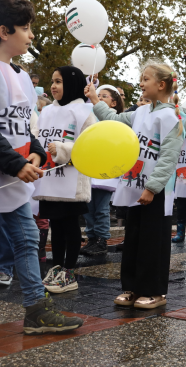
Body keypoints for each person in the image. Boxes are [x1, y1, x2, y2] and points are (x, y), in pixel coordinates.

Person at [0, 0, 83, 334]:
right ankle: (37, 309)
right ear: (4, 31)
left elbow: (27, 125)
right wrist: (15, 163)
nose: (31, 36)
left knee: (28, 239)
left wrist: (37, 153)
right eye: (26, 28)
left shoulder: (23, 75)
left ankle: (36, 310)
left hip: (11, 174)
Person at [85, 59, 186, 309]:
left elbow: (168, 158)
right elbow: (114, 120)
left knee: (154, 240)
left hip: (156, 190)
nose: (140, 84)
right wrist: (95, 100)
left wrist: (152, 188)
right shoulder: (141, 112)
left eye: (145, 79)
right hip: (134, 186)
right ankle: (131, 287)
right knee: (133, 238)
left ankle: (155, 290)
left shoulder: (174, 117)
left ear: (161, 84)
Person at [33, 66, 96, 293]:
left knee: (70, 225)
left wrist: (61, 148)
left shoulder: (84, 111)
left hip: (72, 179)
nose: (53, 86)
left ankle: (69, 272)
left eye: (58, 81)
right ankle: (57, 266)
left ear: (70, 84)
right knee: (55, 225)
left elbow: (90, 145)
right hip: (50, 178)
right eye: (52, 81)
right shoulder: (47, 111)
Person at [81, 85, 125, 256]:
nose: (98, 98)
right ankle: (91, 238)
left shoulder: (117, 120)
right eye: (97, 95)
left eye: (104, 96)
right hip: (89, 168)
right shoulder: (90, 117)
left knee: (101, 208)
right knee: (88, 207)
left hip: (106, 171)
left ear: (114, 103)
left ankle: (101, 240)